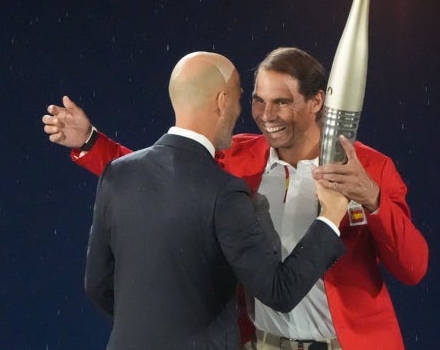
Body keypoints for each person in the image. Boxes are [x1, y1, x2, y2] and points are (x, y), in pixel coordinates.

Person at [43, 47, 429, 350]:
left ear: (316, 102)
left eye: (281, 102)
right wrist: (93, 142)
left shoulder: (370, 169)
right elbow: (166, 175)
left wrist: (373, 199)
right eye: (258, 100)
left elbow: (413, 268)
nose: (265, 114)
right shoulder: (239, 157)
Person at [81, 51, 349, 349]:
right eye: (239, 97)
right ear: (222, 101)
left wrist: (152, 326)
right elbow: (279, 291)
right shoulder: (224, 191)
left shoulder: (118, 174)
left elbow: (97, 285)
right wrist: (330, 218)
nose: (242, 111)